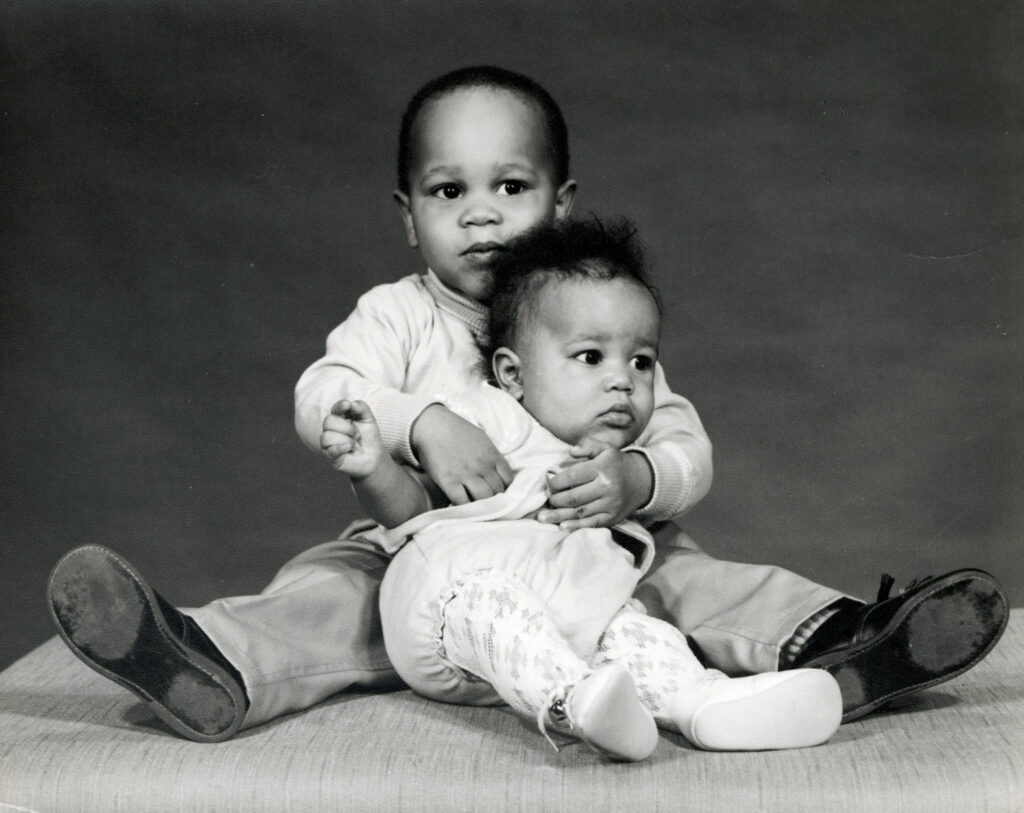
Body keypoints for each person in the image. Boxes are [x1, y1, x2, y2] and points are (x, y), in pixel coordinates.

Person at [47, 65, 1008, 744]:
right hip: (421, 550)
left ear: (559, 200)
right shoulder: (399, 316)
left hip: (585, 547)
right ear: (407, 214)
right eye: (447, 190)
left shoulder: (591, 309)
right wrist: (415, 419)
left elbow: (683, 438)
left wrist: (636, 476)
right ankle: (209, 662)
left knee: (696, 577)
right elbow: (322, 392)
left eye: (510, 185)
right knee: (326, 592)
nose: (479, 212)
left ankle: (840, 642)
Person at [324, 217, 843, 761]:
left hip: (577, 615)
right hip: (449, 616)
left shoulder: (615, 464)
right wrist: (373, 471)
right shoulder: (487, 423)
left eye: (641, 361)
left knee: (635, 631)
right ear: (513, 374)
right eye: (591, 357)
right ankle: (575, 702)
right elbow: (412, 509)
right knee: (493, 603)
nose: (623, 380)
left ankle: (705, 706)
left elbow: (687, 458)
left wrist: (636, 478)